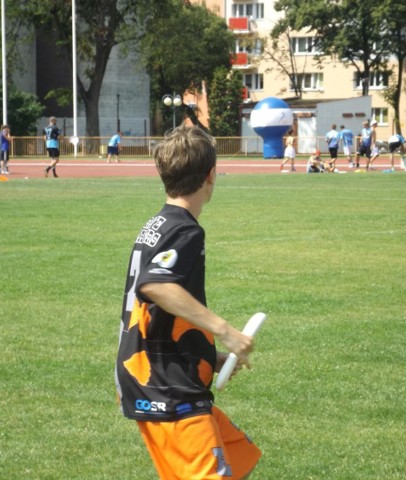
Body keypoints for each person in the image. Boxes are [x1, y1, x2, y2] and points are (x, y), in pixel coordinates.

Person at [115, 125, 262, 479]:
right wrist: (224, 331)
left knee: (240, 458)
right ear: (211, 175)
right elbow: (156, 286)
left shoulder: (158, 224)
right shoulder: (185, 230)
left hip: (156, 377)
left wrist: (209, 355)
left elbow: (151, 313)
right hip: (169, 389)